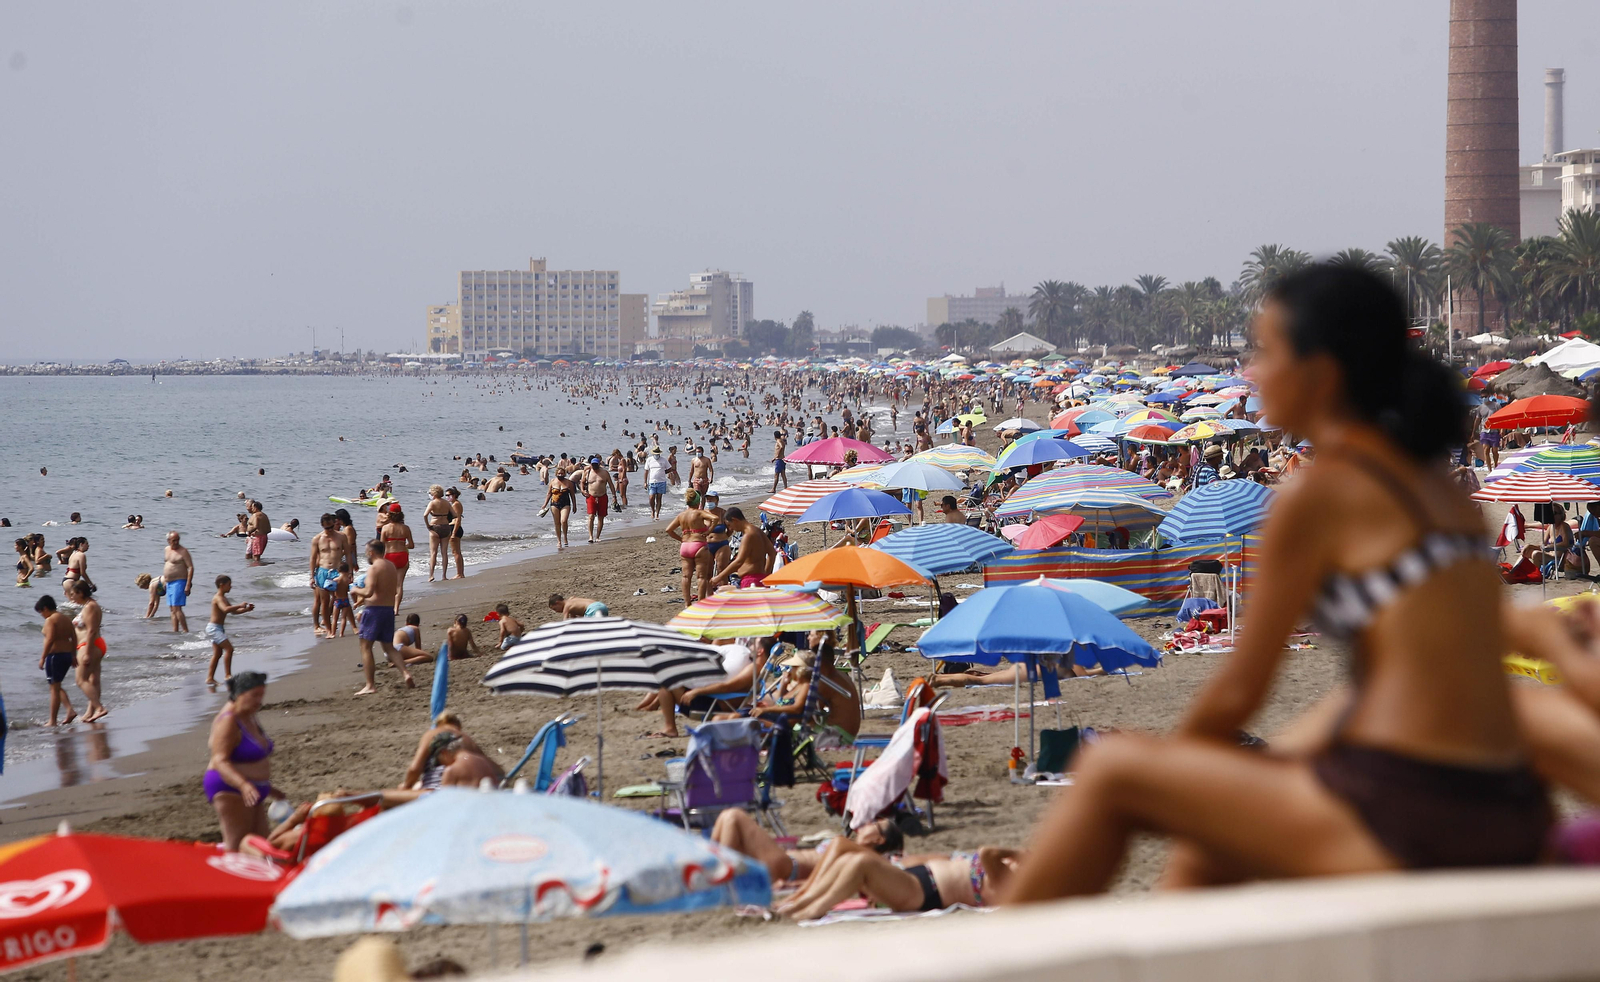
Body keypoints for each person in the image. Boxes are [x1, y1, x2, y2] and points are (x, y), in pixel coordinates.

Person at [1004, 265, 1550, 906]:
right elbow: (1417, 674)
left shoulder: (1319, 492)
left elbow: (1238, 692)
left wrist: (1179, 775)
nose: (1250, 372)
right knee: (1213, 847)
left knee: (1111, 774)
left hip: (1418, 813)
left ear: (1321, 374)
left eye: (1265, 351)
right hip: (1507, 802)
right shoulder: (1436, 489)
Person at [779, 838, 1022, 920]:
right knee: (846, 858)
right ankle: (800, 901)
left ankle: (810, 908)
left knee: (860, 864)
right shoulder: (1004, 876)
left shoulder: (1009, 883)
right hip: (917, 879)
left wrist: (1018, 854)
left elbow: (986, 852)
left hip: (923, 893)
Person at [711, 808, 903, 883]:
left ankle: (719, 878)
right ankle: (712, 871)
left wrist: (792, 884)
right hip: (783, 864)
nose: (868, 823)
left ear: (879, 840)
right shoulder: (854, 850)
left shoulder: (861, 857)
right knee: (725, 819)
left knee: (733, 817)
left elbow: (832, 880)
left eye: (875, 825)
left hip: (787, 867)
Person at [205, 672, 280, 851]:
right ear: (239, 694)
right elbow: (219, 760)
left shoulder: (248, 714)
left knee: (262, 842)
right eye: (254, 695)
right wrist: (243, 785)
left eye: (261, 695)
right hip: (231, 788)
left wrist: (270, 788)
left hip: (253, 789)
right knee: (237, 844)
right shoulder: (228, 720)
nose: (259, 700)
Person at [351, 541, 415, 695]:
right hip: (388, 610)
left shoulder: (374, 568)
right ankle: (406, 673)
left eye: (366, 552)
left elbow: (368, 592)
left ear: (371, 552)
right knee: (389, 647)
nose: (366, 554)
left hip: (374, 610)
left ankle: (370, 685)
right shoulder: (391, 566)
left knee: (365, 647)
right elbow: (393, 590)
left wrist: (355, 589)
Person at [401, 710, 494, 790]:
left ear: (438, 724)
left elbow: (415, 769)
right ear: (458, 725)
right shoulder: (468, 740)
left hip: (436, 790)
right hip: (465, 791)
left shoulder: (433, 734)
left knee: (388, 798)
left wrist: (405, 786)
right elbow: (494, 770)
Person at [664, 490, 716, 605]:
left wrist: (680, 539)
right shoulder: (699, 513)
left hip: (685, 546)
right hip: (699, 545)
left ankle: (687, 603)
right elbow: (715, 518)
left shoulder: (681, 515)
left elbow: (668, 530)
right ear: (698, 501)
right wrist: (709, 531)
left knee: (686, 576)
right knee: (701, 577)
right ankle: (700, 602)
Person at [69, 580, 108, 722]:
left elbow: (91, 630)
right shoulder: (88, 605)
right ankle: (90, 712)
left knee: (81, 680)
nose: (72, 597)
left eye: (73, 594)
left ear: (81, 593)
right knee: (93, 680)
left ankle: (99, 708)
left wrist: (87, 652)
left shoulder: (90, 607)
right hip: (93, 645)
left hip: (89, 645)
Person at [205, 575, 255, 685]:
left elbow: (233, 612)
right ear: (222, 585)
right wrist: (239, 604)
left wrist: (246, 609)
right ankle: (228, 675)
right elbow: (225, 609)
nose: (231, 587)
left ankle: (210, 678)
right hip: (214, 628)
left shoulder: (224, 598)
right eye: (229, 585)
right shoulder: (218, 598)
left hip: (218, 628)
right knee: (229, 649)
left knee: (218, 653)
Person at [35, 595, 77, 725]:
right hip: (66, 655)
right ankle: (69, 710)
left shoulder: (51, 620)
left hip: (55, 657)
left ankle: (52, 720)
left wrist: (43, 657)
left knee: (54, 688)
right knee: (56, 686)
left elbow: (50, 639)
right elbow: (74, 636)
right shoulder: (65, 618)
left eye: (41, 612)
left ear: (45, 608)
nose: (42, 615)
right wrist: (73, 655)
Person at [709, 508, 775, 589]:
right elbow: (772, 553)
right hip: (759, 578)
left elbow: (739, 561)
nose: (730, 529)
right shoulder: (757, 530)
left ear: (735, 520)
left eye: (729, 525)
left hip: (750, 580)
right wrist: (766, 574)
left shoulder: (748, 535)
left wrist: (719, 577)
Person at [424, 732, 504, 788]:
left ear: (444, 753)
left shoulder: (451, 771)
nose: (443, 766)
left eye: (440, 761)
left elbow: (445, 802)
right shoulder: (484, 763)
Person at [380, 507, 416, 609]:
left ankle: (389, 605)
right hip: (402, 555)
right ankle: (396, 609)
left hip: (389, 556)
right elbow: (412, 545)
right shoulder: (405, 528)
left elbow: (382, 546)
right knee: (399, 584)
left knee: (389, 584)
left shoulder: (385, 528)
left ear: (390, 515)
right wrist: (404, 545)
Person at [162, 531, 195, 633]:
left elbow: (190, 567)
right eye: (173, 540)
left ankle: (185, 630)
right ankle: (175, 631)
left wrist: (188, 584)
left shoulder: (183, 551)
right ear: (168, 541)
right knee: (172, 609)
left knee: (177, 608)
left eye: (177, 540)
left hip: (180, 582)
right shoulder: (166, 550)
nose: (176, 542)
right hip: (169, 583)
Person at [423, 485, 456, 582]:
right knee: (444, 553)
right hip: (445, 526)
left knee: (433, 553)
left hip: (435, 526)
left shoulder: (432, 503)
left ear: (433, 493)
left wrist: (428, 525)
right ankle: (444, 576)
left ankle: (431, 575)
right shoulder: (446, 503)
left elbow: (425, 515)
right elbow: (455, 515)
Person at [543, 464, 576, 551]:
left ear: (565, 474)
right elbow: (549, 494)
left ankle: (565, 537)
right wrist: (544, 504)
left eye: (562, 473)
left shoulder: (569, 483)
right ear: (556, 473)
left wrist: (575, 505)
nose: (560, 475)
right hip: (554, 503)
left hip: (566, 503)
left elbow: (572, 495)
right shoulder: (552, 481)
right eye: (559, 473)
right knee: (557, 523)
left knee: (564, 521)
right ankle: (559, 541)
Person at [583, 456, 616, 543]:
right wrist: (583, 491)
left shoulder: (604, 473)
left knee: (601, 517)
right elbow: (582, 483)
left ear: (599, 464)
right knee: (591, 516)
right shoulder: (588, 472)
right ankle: (590, 536)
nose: (594, 466)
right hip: (591, 496)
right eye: (593, 464)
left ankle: (597, 536)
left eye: (596, 464)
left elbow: (611, 485)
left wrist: (614, 496)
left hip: (602, 496)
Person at [643, 448, 669, 521]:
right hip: (652, 482)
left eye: (657, 454)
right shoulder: (649, 460)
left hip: (661, 481)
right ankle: (652, 510)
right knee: (651, 497)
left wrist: (663, 473)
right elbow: (646, 471)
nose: (656, 455)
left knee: (659, 498)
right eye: (655, 454)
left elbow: (669, 468)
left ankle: (657, 513)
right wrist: (645, 482)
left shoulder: (664, 460)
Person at [331, 562, 356, 636]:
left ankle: (333, 633)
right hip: (345, 600)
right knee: (343, 618)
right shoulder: (348, 580)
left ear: (338, 570)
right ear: (348, 570)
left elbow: (331, 588)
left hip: (337, 600)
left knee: (335, 618)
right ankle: (341, 633)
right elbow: (349, 589)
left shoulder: (336, 580)